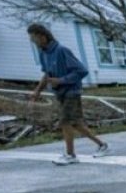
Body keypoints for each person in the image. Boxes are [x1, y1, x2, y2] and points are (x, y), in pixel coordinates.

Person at [27, 23, 108, 165]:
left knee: (65, 122)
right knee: (75, 123)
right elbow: (46, 74)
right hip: (60, 93)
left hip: (72, 91)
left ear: (43, 37)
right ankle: (102, 145)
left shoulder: (62, 51)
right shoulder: (43, 54)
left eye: (34, 38)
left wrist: (61, 80)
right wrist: (37, 92)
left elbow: (82, 71)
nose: (33, 42)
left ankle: (71, 155)